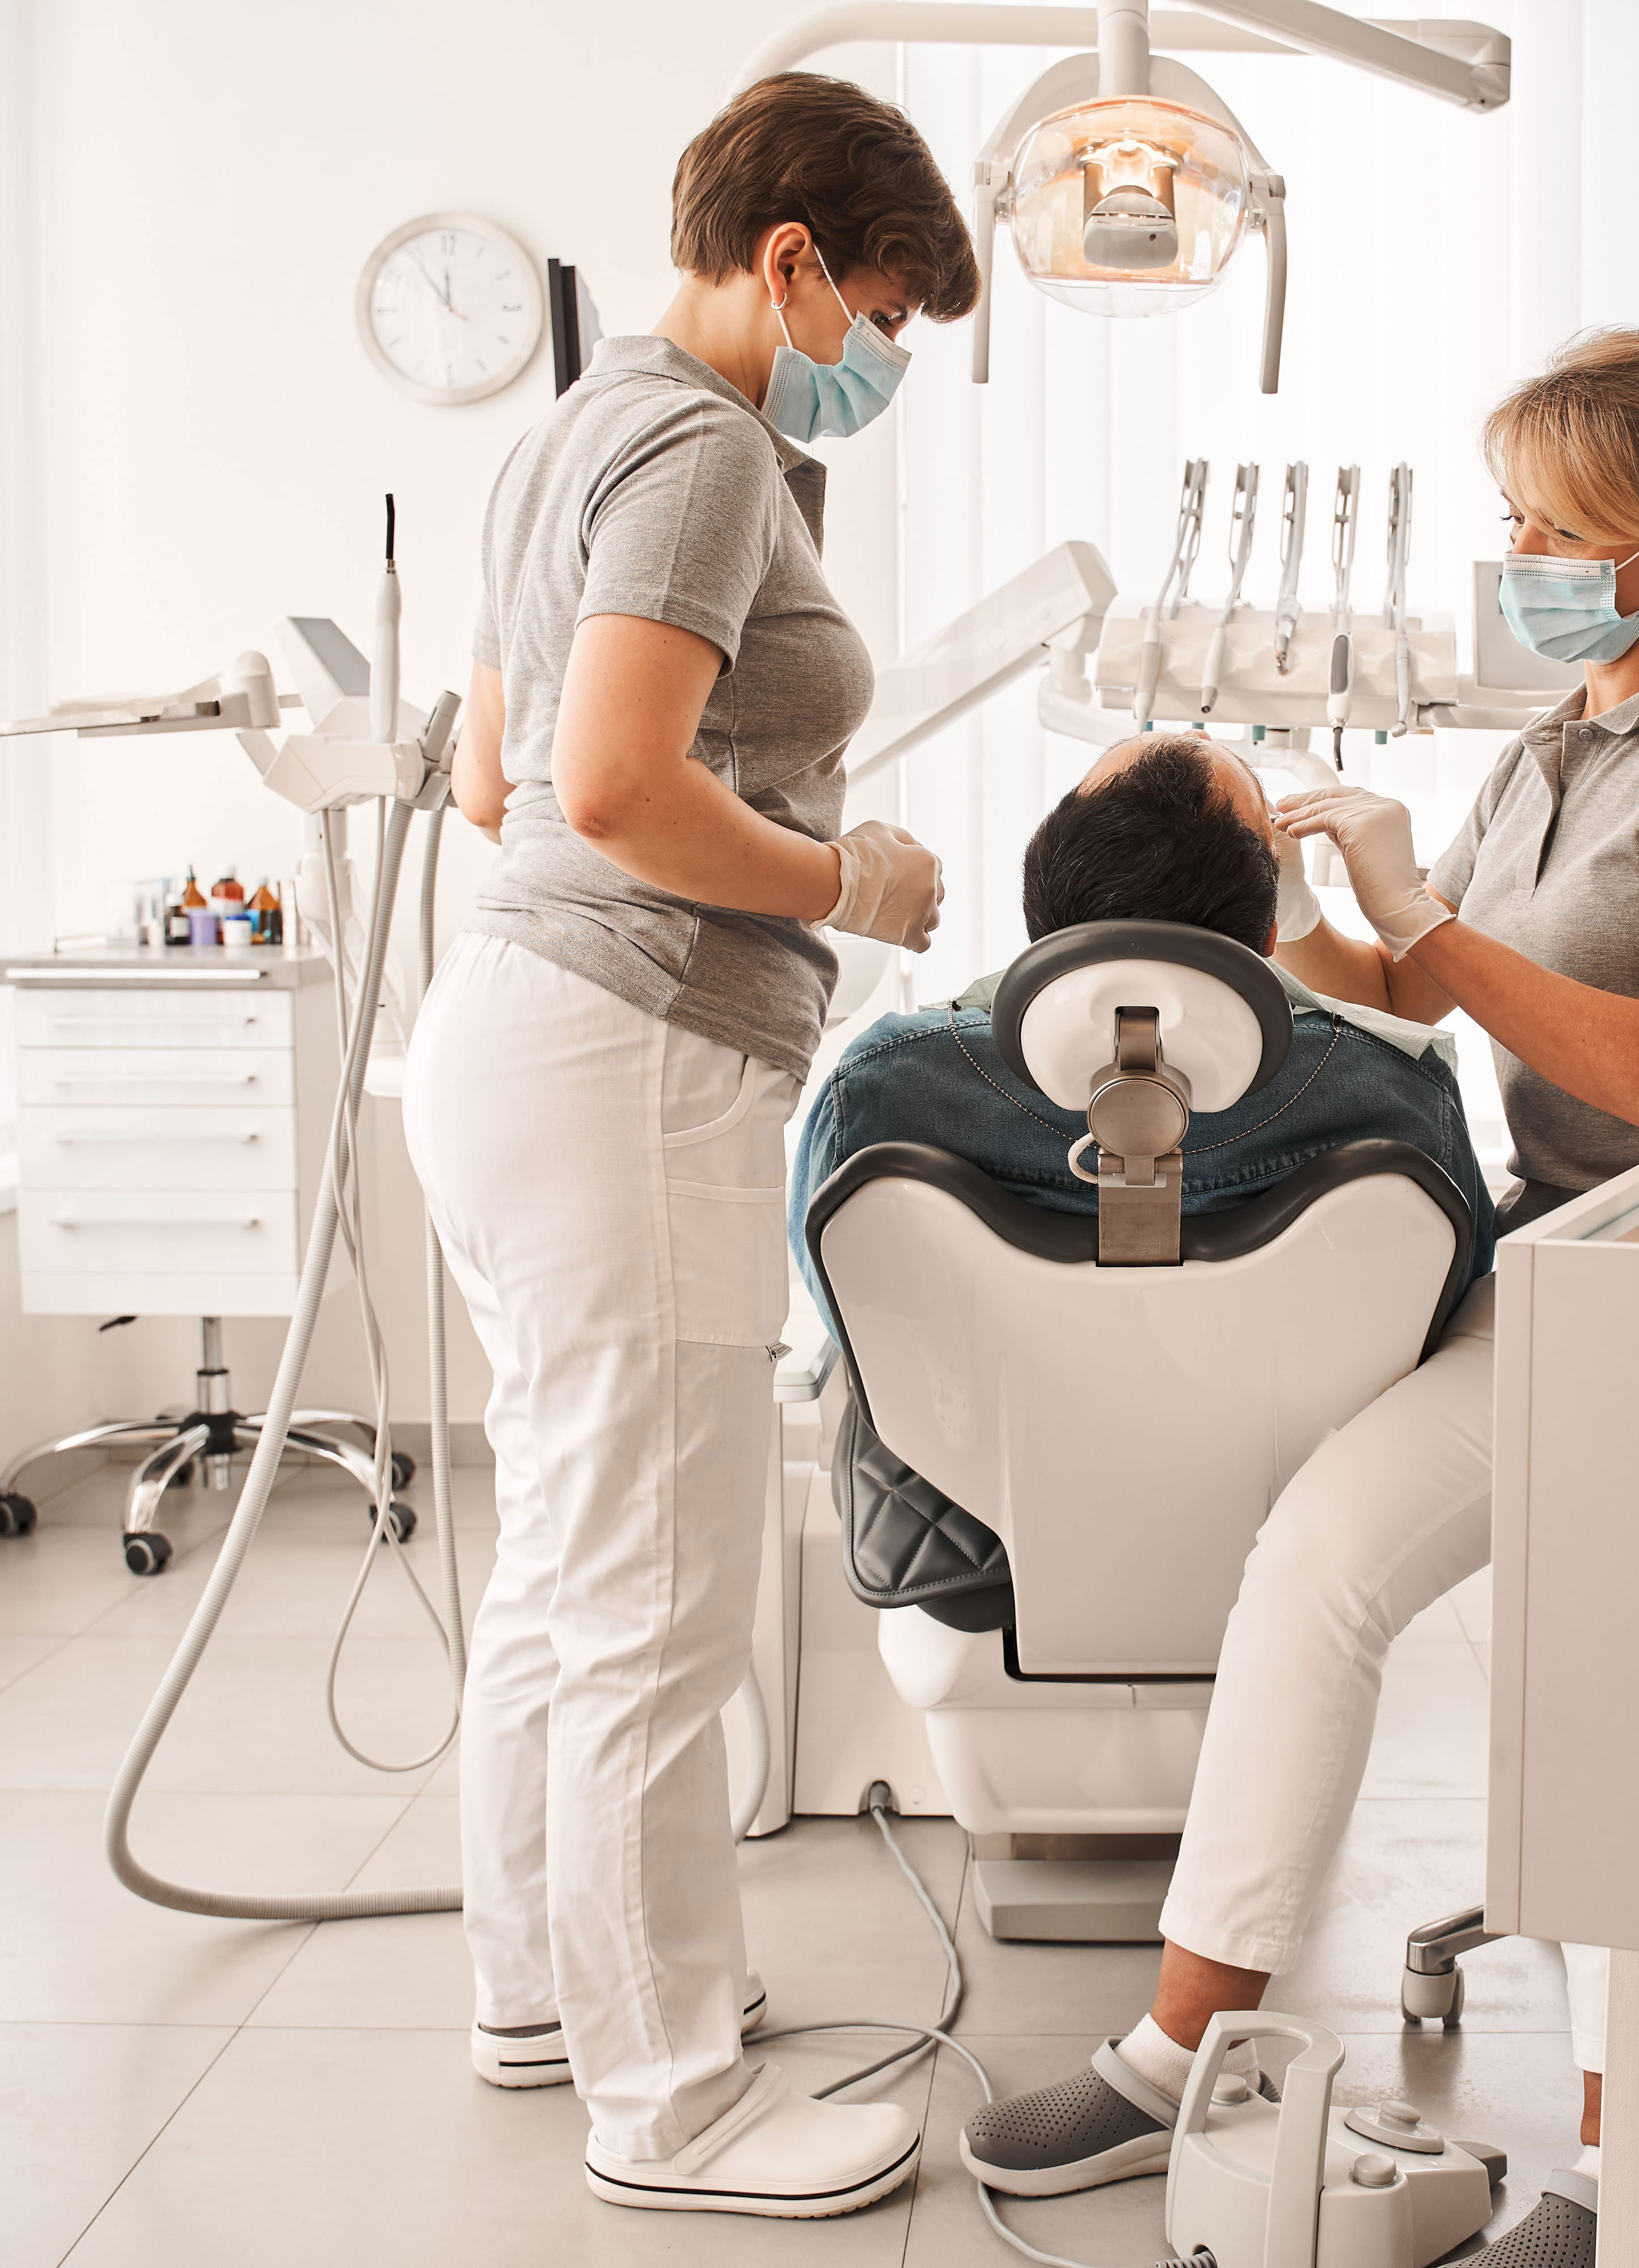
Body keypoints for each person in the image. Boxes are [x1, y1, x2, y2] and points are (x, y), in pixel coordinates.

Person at [962, 329, 1639, 2267]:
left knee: (1615, 1655)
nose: (1522, 558)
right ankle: (1175, 2052)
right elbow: (1401, 994)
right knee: (1316, 1561)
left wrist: (1426, 918)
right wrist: (1283, 892)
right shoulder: (1547, 752)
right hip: (1573, 1256)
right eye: (1512, 519)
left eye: (1560, 527)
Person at [402, 73, 972, 2222]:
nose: (884, 360)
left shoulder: (568, 433)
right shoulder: (710, 450)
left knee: (565, 1567)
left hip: (520, 1034)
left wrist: (767, 831)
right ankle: (669, 2101)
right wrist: (846, 880)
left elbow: (496, 781)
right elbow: (621, 790)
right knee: (653, 1597)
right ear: (791, 259)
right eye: (884, 314)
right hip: (625, 1052)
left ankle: (540, 1998)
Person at [791, 731, 1496, 1304]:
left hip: (967, 1439)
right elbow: (1448, 1299)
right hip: (1319, 1440)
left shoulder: (884, 1085)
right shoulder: (1398, 1095)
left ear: (1042, 905)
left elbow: (841, 1298)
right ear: (1271, 931)